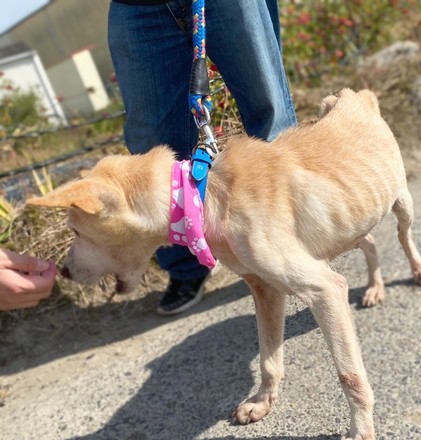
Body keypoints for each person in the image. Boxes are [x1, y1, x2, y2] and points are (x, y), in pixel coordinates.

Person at [108, 0, 297, 315]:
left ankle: (298, 236)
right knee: (149, 143)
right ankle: (186, 265)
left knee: (269, 113)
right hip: (136, 6)